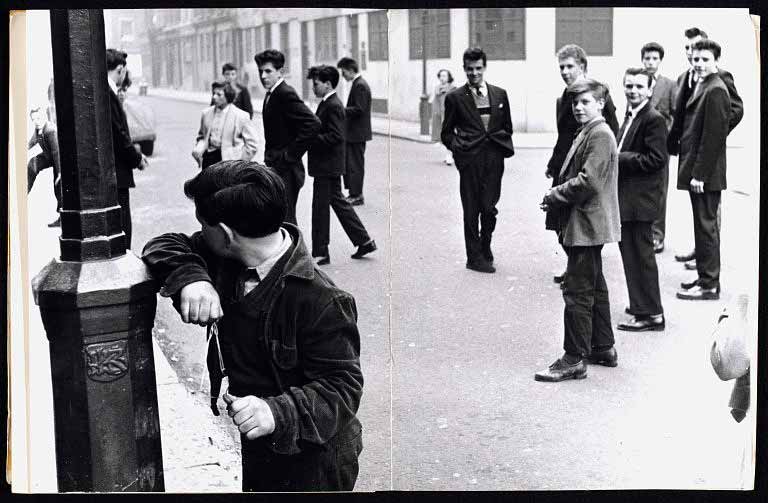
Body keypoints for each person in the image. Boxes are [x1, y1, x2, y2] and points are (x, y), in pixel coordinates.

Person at [141, 161, 364, 492]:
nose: (200, 233)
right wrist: (192, 279)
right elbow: (164, 245)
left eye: (204, 226)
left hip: (315, 460)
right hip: (260, 446)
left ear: (228, 234)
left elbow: (343, 387)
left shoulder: (324, 300)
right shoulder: (225, 255)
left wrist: (276, 412)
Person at [536, 79, 620, 382]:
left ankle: (573, 358)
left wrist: (553, 195)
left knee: (577, 290)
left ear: (600, 103)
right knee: (594, 285)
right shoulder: (591, 131)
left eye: (585, 102)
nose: (578, 107)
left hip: (587, 223)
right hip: (588, 222)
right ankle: (602, 346)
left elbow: (589, 181)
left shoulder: (599, 133)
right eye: (574, 103)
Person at [667, 27, 743, 269]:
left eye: (699, 52)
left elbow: (733, 110)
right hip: (691, 155)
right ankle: (701, 261)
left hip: (706, 159)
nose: (693, 56)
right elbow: (680, 115)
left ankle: (708, 272)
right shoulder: (687, 77)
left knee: (707, 219)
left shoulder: (719, 80)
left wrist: (715, 132)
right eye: (689, 50)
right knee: (701, 219)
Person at [545, 45, 619, 285]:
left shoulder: (597, 97)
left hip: (585, 167)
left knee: (578, 229)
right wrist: (554, 164)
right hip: (567, 167)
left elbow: (609, 134)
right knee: (559, 223)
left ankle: (578, 272)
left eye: (570, 66)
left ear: (583, 67)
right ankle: (576, 268)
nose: (565, 72)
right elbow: (563, 136)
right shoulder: (562, 99)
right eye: (561, 67)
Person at [441, 47, 515, 274]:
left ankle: (485, 246)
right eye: (470, 69)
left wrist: (499, 149)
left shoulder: (500, 94)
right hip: (470, 161)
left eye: (478, 68)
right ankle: (474, 257)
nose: (474, 73)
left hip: (494, 161)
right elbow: (446, 133)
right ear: (464, 69)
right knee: (472, 209)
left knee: (489, 208)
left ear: (485, 67)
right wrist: (459, 151)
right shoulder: (455, 97)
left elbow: (506, 127)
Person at [673, 39, 731, 301]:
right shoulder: (703, 84)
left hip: (705, 175)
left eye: (705, 59)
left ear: (715, 60)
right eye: (695, 59)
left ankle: (709, 285)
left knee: (706, 228)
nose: (699, 64)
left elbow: (714, 136)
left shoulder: (716, 88)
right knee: (702, 227)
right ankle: (704, 277)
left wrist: (700, 174)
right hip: (699, 171)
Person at [305, 65, 377, 265]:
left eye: (316, 83)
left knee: (320, 208)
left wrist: (312, 138)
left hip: (327, 166)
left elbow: (336, 136)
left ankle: (321, 252)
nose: (313, 87)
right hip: (329, 165)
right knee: (338, 202)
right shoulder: (329, 103)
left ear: (328, 84)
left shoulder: (333, 105)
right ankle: (364, 241)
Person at [614, 68, 669, 331]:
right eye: (629, 86)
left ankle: (652, 314)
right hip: (629, 200)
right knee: (632, 255)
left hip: (640, 201)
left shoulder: (652, 118)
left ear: (650, 90)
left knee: (641, 257)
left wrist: (620, 158)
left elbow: (657, 159)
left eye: (638, 87)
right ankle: (640, 304)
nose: (633, 91)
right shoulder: (632, 115)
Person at [256, 49, 321, 225]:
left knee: (286, 221)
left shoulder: (285, 93)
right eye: (260, 71)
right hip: (277, 166)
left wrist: (289, 155)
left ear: (280, 72)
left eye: (268, 71)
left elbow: (313, 124)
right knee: (280, 219)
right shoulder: (271, 94)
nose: (263, 76)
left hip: (288, 170)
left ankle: (297, 253)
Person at [107, 48, 148, 250]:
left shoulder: (105, 92)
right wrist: (137, 158)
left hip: (112, 173)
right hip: (117, 173)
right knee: (123, 226)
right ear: (120, 69)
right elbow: (119, 134)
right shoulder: (109, 93)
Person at [192, 81, 258, 169]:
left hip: (229, 162)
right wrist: (198, 149)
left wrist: (240, 162)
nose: (214, 97)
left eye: (219, 94)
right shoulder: (206, 113)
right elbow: (201, 136)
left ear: (228, 96)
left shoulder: (241, 116)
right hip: (208, 159)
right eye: (213, 93)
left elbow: (252, 145)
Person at [337, 57, 372, 206]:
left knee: (355, 165)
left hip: (357, 134)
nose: (343, 76)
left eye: (344, 72)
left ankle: (357, 195)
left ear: (351, 70)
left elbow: (359, 108)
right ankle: (354, 193)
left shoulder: (360, 85)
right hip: (355, 133)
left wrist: (341, 110)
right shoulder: (358, 84)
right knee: (352, 164)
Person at [27, 106, 61, 227]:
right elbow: (30, 143)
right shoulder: (37, 131)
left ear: (44, 117)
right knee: (32, 164)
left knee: (58, 186)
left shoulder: (50, 130)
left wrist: (59, 173)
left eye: (39, 118)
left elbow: (57, 152)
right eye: (34, 119)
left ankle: (62, 217)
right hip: (48, 156)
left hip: (60, 159)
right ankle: (23, 191)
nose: (37, 121)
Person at [430, 69, 457, 165]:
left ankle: (450, 156)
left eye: (444, 76)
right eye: (441, 76)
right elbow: (435, 103)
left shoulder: (453, 89)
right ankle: (450, 155)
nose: (442, 78)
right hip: (440, 115)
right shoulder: (437, 88)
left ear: (449, 77)